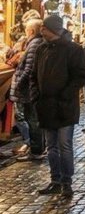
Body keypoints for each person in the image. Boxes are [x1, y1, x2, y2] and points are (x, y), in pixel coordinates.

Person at [33, 14, 85, 198]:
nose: (42, 31)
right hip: (46, 105)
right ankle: (55, 180)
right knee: (51, 146)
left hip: (65, 106)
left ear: (53, 30)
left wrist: (66, 93)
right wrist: (36, 95)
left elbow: (81, 75)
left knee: (64, 144)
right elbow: (34, 75)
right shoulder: (41, 50)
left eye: (44, 28)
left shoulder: (73, 49)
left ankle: (66, 181)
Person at [11, 18, 45, 161]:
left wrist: (18, 83)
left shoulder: (34, 44)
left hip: (28, 90)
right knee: (31, 118)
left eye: (26, 29)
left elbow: (29, 68)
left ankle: (35, 149)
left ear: (30, 31)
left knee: (31, 118)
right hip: (29, 89)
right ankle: (34, 147)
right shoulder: (34, 43)